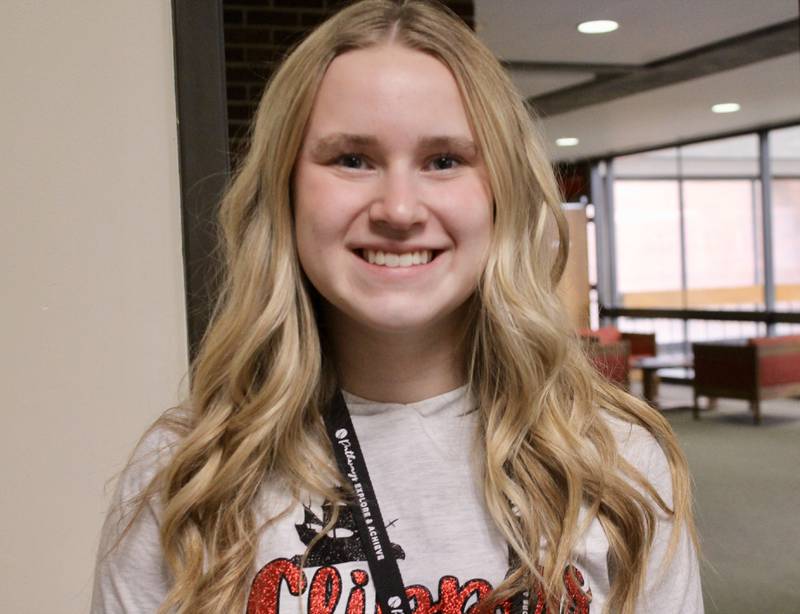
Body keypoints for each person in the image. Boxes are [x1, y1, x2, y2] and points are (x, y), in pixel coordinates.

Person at [91, 1, 703, 613]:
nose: (400, 210)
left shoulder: (617, 465)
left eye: (444, 161)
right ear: (285, 191)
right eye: (352, 159)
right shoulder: (187, 479)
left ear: (503, 195)